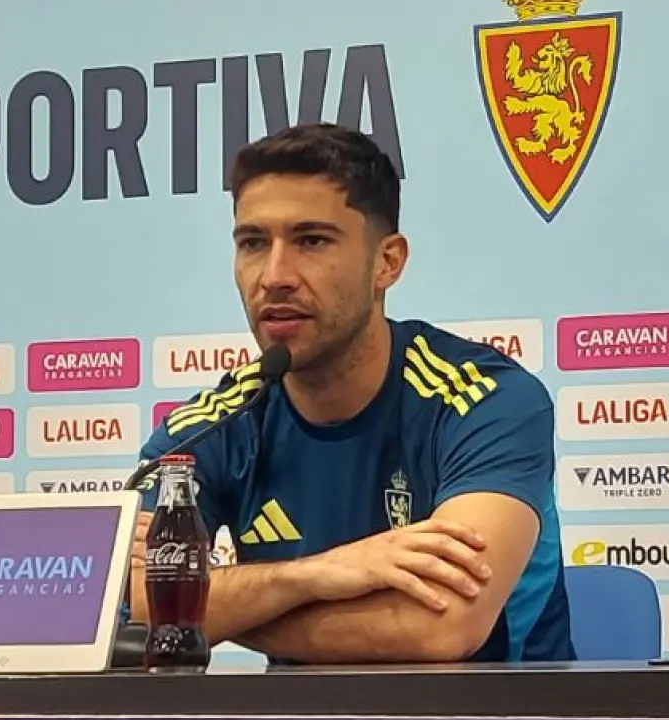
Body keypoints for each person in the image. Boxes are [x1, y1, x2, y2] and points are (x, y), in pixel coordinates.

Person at [126, 122, 574, 664]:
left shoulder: (486, 400)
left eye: (312, 241)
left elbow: (440, 627)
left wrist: (222, 609)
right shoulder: (209, 428)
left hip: (487, 708)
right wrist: (314, 575)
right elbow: (140, 601)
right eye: (253, 243)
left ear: (387, 262)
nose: (274, 276)